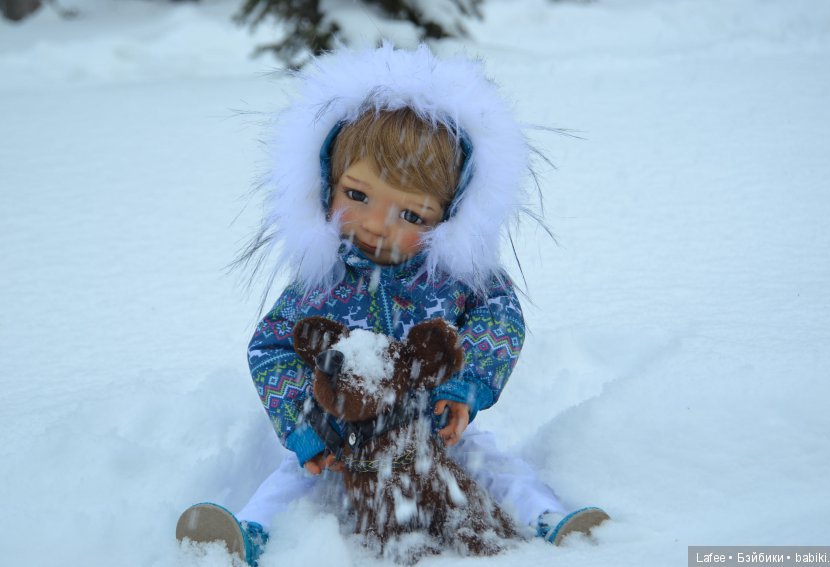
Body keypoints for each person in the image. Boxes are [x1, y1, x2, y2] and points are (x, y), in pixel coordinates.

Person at [176, 44, 609, 565]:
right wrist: (309, 428)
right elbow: (271, 349)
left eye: (413, 215)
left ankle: (551, 521)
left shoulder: (457, 280)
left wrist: (462, 390)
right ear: (325, 184)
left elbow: (499, 320)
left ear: (450, 218)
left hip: (433, 430)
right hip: (343, 444)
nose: (380, 224)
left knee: (494, 463)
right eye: (358, 196)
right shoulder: (320, 283)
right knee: (290, 480)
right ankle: (248, 533)